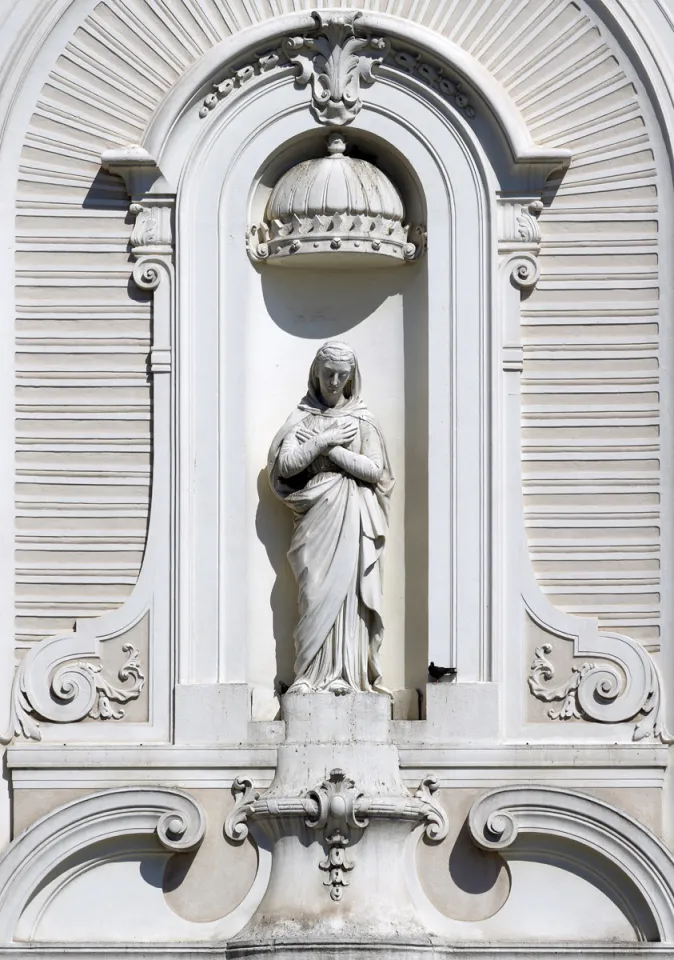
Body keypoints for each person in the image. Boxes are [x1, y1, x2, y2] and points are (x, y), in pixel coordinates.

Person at [268, 341, 395, 695]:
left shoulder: (362, 420)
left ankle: (350, 676)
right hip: (316, 517)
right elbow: (287, 465)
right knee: (314, 591)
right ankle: (310, 674)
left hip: (351, 515)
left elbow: (374, 470)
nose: (335, 382)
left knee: (349, 597)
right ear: (316, 374)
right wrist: (323, 438)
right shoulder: (303, 418)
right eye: (328, 374)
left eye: (342, 375)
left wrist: (331, 447)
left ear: (352, 377)